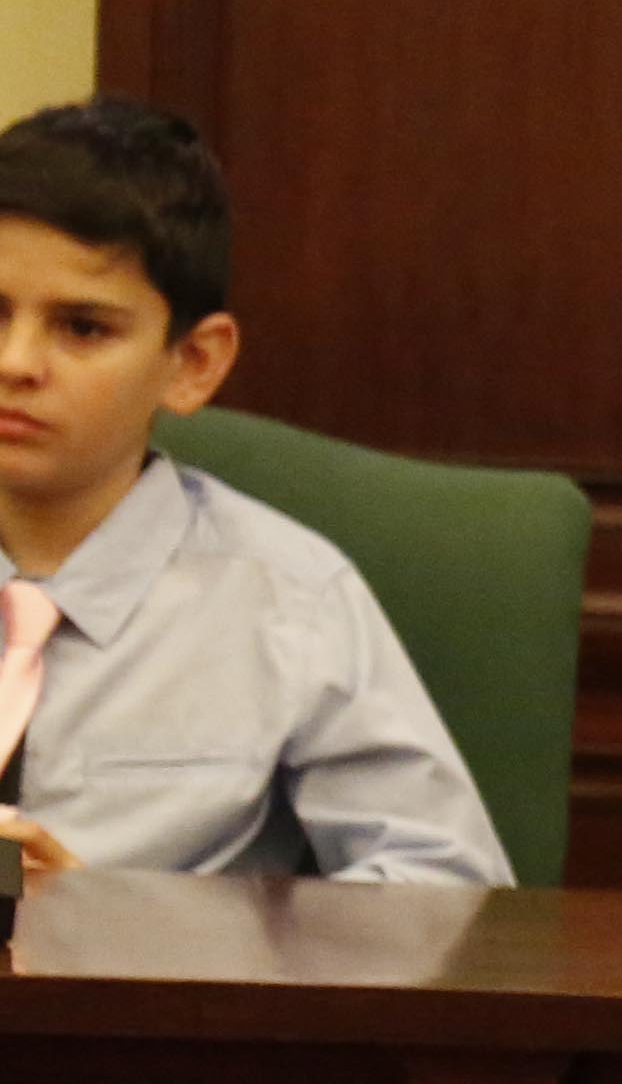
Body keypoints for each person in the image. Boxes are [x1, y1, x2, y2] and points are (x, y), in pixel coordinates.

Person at [0, 97, 506, 888]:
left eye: (83, 328)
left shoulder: (290, 602)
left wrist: (113, 920)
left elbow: (449, 887)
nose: (17, 363)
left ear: (193, 363)